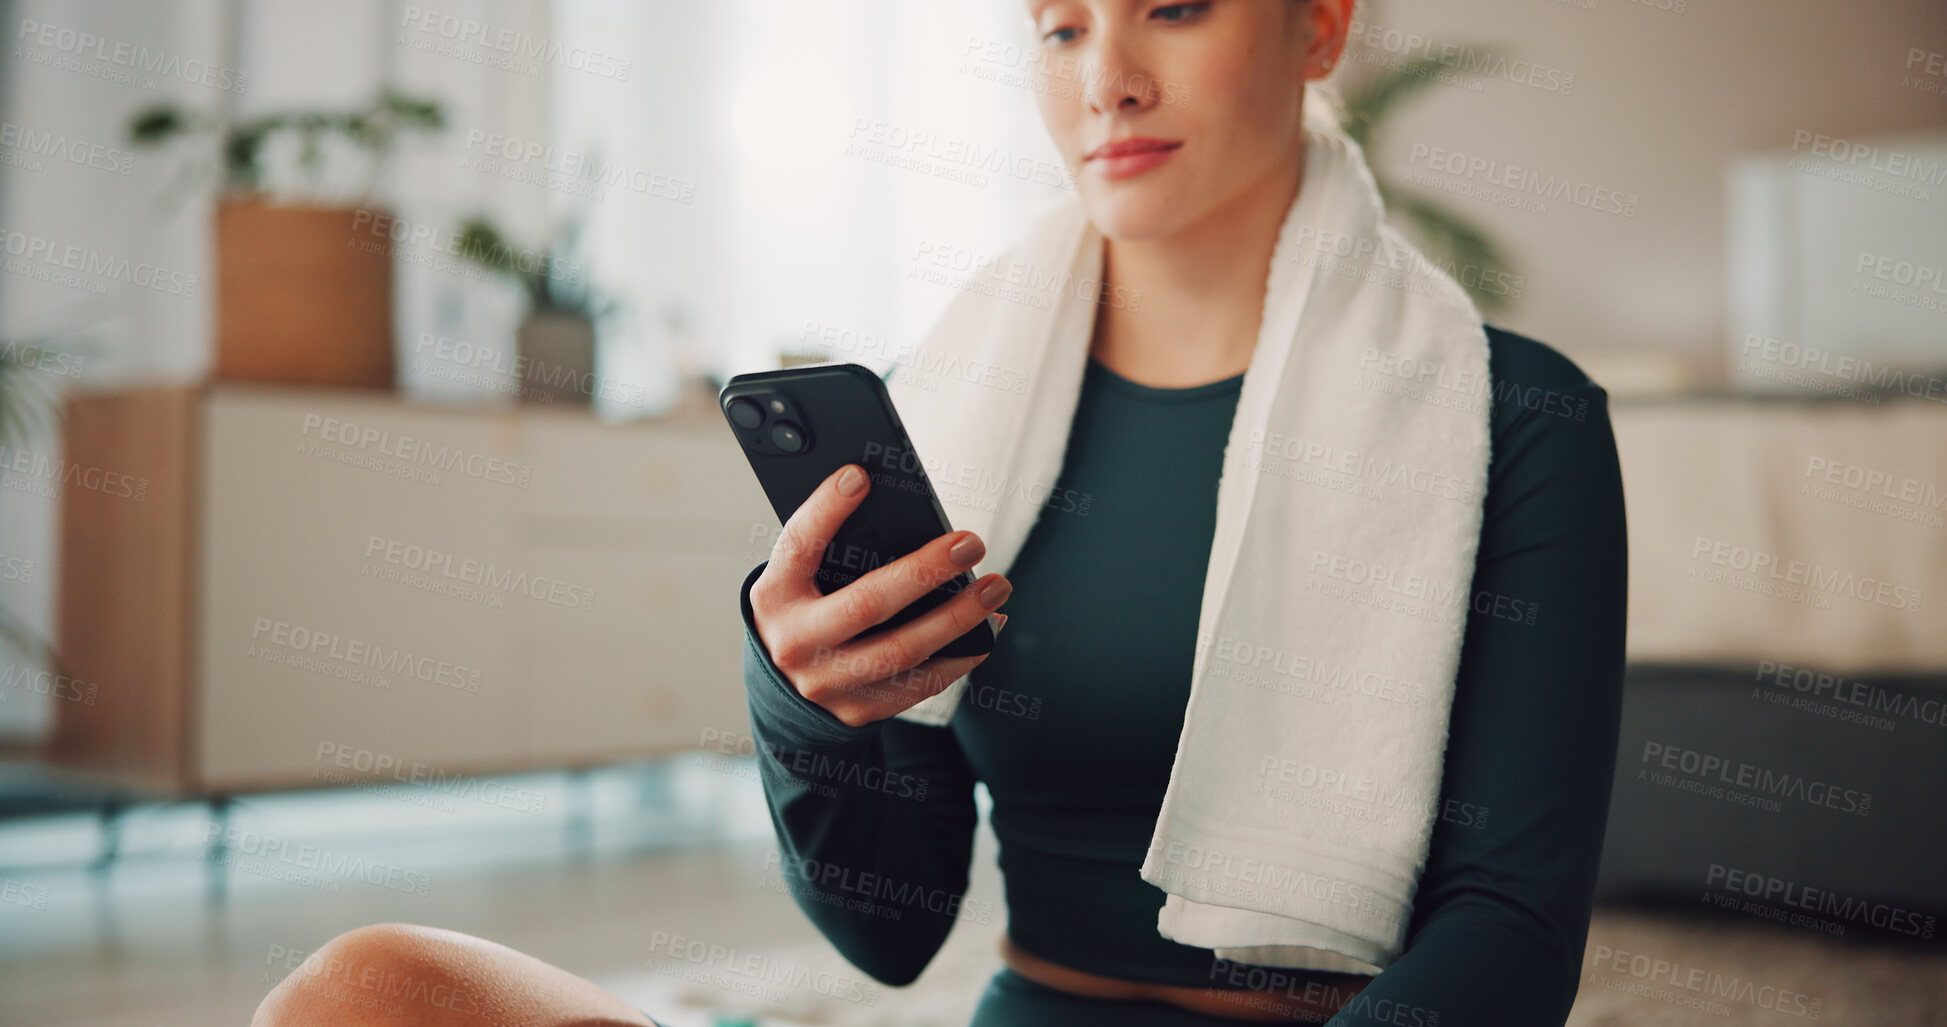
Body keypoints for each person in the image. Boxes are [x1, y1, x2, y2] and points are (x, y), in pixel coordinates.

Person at [252, 1, 1626, 1024]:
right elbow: (887, 935)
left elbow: (1506, 932)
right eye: (1061, 26)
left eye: (1174, 9)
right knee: (366, 991)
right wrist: (805, 704)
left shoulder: (1514, 418)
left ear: (1320, 25)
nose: (1108, 83)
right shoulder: (954, 408)